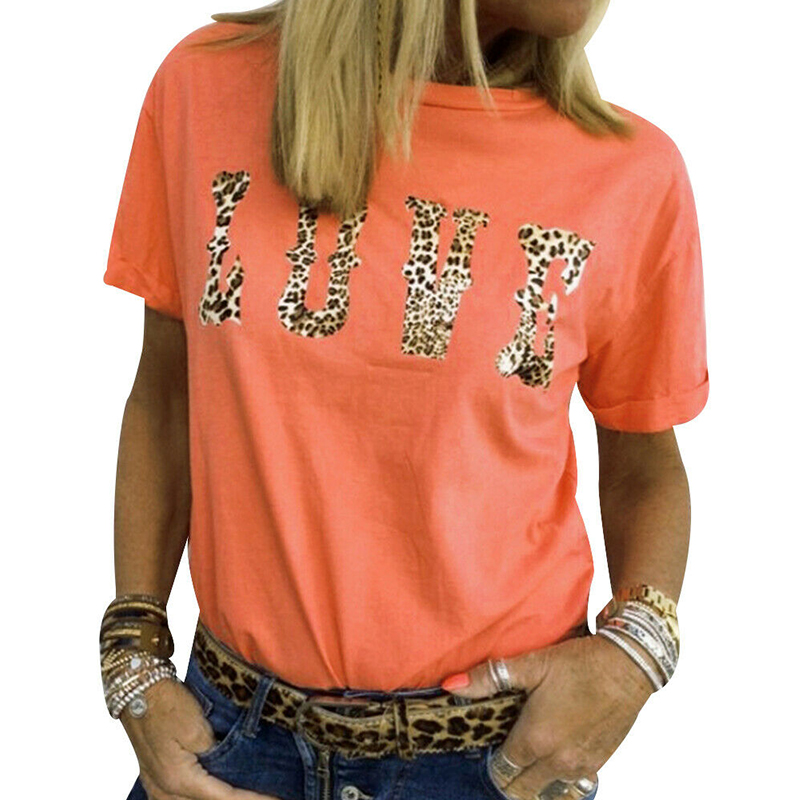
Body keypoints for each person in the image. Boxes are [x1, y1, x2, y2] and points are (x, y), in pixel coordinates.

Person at [99, 1, 709, 799]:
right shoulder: (205, 86)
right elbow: (167, 395)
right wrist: (133, 654)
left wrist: (635, 658)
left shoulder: (630, 172)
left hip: (495, 761)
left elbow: (642, 463)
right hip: (231, 749)